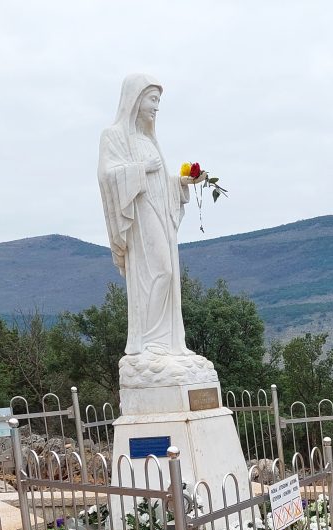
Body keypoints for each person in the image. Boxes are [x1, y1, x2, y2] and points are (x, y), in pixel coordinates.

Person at [98, 74, 205, 357]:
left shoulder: (148, 139)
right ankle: (151, 341)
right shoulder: (114, 135)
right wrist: (141, 167)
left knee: (169, 274)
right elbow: (107, 175)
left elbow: (160, 181)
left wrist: (181, 182)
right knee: (162, 270)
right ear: (136, 99)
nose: (157, 107)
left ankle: (169, 342)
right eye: (153, 100)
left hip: (159, 209)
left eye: (159, 101)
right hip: (140, 217)